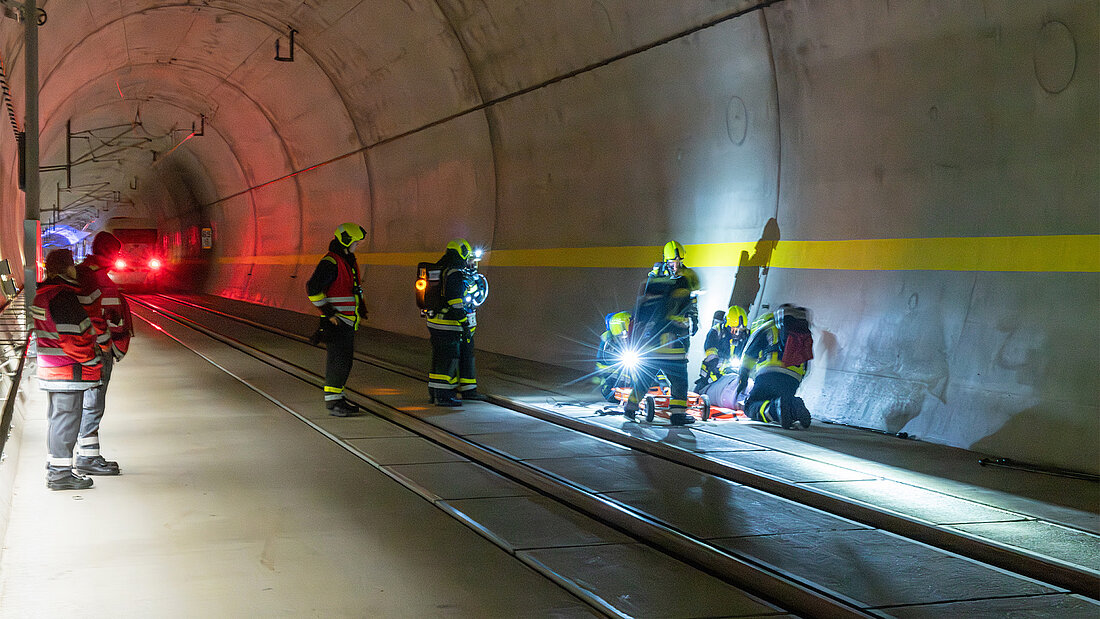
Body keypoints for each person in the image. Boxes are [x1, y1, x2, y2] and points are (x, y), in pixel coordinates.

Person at [33, 249, 103, 490]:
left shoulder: (43, 294)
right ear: (68, 268)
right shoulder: (62, 296)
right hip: (67, 368)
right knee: (66, 420)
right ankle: (60, 474)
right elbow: (74, 338)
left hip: (52, 368)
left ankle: (57, 467)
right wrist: (93, 360)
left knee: (58, 419)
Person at [73, 231, 133, 475]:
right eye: (116, 253)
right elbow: (110, 320)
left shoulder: (83, 273)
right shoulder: (102, 281)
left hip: (81, 347)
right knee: (94, 402)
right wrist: (112, 346)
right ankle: (87, 457)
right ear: (109, 253)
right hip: (98, 348)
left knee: (84, 401)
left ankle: (81, 453)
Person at [624, 241, 701, 426]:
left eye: (678, 262)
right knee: (679, 379)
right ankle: (678, 414)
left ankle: (631, 407)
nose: (676, 266)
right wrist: (692, 319)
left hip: (653, 340)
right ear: (666, 260)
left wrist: (694, 318)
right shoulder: (683, 280)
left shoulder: (654, 281)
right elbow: (689, 302)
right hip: (674, 341)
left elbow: (642, 308)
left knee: (645, 376)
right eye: (673, 262)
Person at [306, 223, 368, 416]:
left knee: (343, 362)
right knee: (338, 362)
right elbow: (313, 289)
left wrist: (361, 307)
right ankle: (333, 403)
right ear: (346, 241)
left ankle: (338, 398)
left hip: (346, 321)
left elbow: (351, 288)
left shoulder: (346, 260)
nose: (357, 245)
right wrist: (329, 312)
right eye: (356, 242)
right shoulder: (331, 263)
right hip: (338, 322)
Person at [426, 239, 486, 406]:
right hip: (448, 324)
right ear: (462, 253)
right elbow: (455, 302)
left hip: (439, 322)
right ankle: (443, 395)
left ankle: (466, 390)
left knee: (458, 355)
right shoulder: (454, 273)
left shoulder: (443, 270)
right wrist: (464, 323)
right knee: (448, 358)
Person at [735, 304, 813, 429]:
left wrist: (743, 376)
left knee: (750, 406)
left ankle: (774, 409)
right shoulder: (803, 332)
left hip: (769, 375)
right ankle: (793, 407)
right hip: (793, 379)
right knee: (783, 404)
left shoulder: (768, 326)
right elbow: (806, 362)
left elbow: (750, 354)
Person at [695, 305, 750, 391]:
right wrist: (716, 368)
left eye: (740, 331)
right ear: (727, 325)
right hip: (711, 375)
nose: (737, 334)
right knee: (700, 393)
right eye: (734, 330)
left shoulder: (744, 336)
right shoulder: (716, 332)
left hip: (730, 376)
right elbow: (711, 353)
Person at [595, 311, 632, 402]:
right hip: (610, 370)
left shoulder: (630, 335)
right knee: (611, 392)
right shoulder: (608, 340)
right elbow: (604, 359)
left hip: (623, 368)